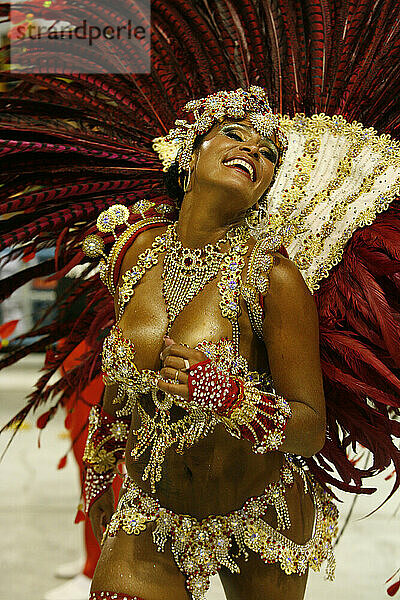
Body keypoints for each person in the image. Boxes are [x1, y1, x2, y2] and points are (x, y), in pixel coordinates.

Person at [81, 88, 338, 600]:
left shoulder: (273, 277)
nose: (254, 152)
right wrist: (99, 471)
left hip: (258, 513)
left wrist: (230, 397)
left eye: (268, 155)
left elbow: (310, 429)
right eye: (237, 135)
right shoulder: (134, 251)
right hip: (151, 513)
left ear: (265, 188)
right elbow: (119, 378)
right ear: (191, 151)